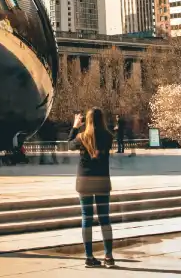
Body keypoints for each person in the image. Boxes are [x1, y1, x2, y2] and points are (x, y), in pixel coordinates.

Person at [69, 109, 115, 268]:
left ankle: (89, 256)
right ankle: (108, 256)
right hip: (101, 180)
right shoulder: (108, 137)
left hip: (84, 181)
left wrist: (75, 127)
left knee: (86, 218)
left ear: (86, 120)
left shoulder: (81, 137)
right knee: (105, 219)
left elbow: (69, 145)